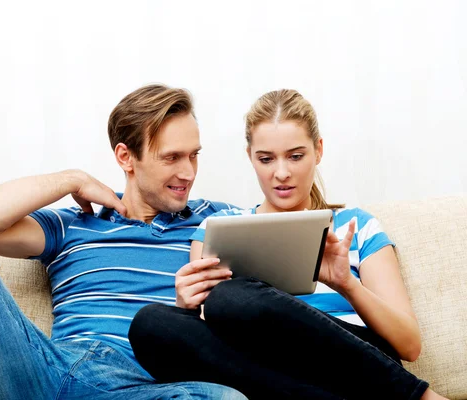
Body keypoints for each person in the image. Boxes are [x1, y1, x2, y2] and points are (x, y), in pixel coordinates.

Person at [0, 84, 248, 399]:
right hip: (42, 369)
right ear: (126, 157)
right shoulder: (75, 223)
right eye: (171, 157)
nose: (188, 172)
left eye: (194, 155)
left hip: (139, 386)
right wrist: (70, 179)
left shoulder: (220, 222)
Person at [129, 89, 447, 400]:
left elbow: (409, 345)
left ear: (318, 150)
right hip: (269, 374)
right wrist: (190, 306)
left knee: (232, 296)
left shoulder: (356, 225)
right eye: (266, 159)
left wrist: (346, 284)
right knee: (151, 325)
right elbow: (210, 341)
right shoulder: (219, 226)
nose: (282, 173)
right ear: (250, 158)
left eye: (296, 156)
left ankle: (419, 396)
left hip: (360, 365)